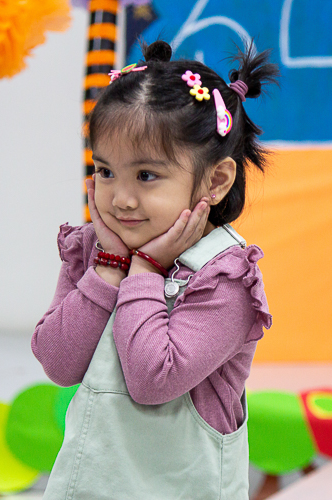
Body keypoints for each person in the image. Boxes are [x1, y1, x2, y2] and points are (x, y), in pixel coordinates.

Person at [32, 39, 278, 499]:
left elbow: (152, 379)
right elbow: (58, 363)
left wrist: (143, 272)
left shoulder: (224, 278)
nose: (120, 198)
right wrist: (107, 268)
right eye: (105, 172)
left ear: (216, 180)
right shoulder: (96, 251)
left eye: (146, 176)